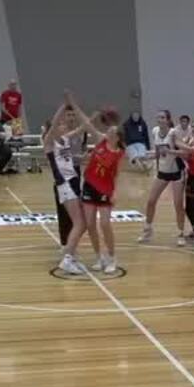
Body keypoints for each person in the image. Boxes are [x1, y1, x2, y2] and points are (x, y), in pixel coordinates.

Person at [72, 106, 125, 274]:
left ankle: (112, 257)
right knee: (90, 224)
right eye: (108, 130)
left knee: (105, 223)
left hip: (105, 190)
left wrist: (115, 192)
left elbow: (116, 175)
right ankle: (98, 257)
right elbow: (87, 124)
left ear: (117, 137)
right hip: (89, 185)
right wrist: (74, 104)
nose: (108, 132)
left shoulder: (119, 153)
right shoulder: (100, 140)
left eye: (112, 132)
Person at [44, 100, 88, 275]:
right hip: (64, 184)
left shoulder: (66, 140)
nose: (63, 126)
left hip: (72, 182)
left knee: (80, 223)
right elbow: (54, 123)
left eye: (63, 125)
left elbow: (83, 127)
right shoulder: (49, 142)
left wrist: (91, 115)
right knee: (79, 223)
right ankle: (67, 259)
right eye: (60, 124)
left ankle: (70, 255)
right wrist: (63, 105)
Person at [140, 110, 188, 246]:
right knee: (150, 201)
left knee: (178, 204)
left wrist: (170, 151)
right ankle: (147, 229)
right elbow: (157, 154)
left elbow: (185, 153)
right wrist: (147, 157)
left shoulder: (173, 133)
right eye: (158, 117)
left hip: (177, 172)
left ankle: (180, 233)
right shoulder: (155, 131)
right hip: (162, 171)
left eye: (162, 117)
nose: (159, 120)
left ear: (168, 120)